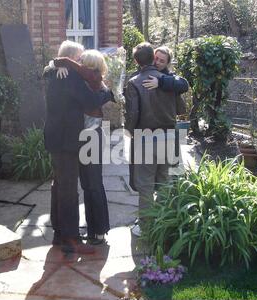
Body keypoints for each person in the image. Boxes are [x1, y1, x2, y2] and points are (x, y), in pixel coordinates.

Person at [43, 41, 113, 253]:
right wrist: (109, 93)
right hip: (68, 139)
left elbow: (49, 68)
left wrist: (54, 65)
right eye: (79, 58)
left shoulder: (53, 74)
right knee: (68, 189)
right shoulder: (70, 76)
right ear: (72, 58)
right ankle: (69, 236)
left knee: (60, 186)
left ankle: (59, 232)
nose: (81, 63)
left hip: (57, 137)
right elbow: (90, 100)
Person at [125, 42, 182, 237]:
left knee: (145, 183)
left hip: (145, 137)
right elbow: (181, 109)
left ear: (136, 60)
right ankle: (164, 222)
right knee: (165, 180)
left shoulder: (134, 82)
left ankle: (147, 226)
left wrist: (129, 131)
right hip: (168, 136)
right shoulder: (168, 80)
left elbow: (133, 114)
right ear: (153, 58)